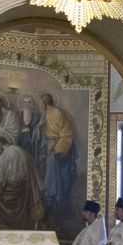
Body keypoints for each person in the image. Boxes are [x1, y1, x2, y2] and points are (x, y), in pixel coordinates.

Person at [39, 92, 78, 220]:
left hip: (59, 148)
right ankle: (50, 204)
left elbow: (66, 133)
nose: (40, 104)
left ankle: (58, 206)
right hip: (49, 148)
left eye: (41, 102)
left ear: (46, 102)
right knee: (49, 176)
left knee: (58, 178)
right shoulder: (44, 114)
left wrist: (59, 149)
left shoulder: (57, 113)